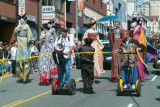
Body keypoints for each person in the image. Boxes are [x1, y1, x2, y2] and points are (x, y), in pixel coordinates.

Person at [13, 13, 34, 83]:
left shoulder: (26, 26)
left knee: (25, 60)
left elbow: (29, 34)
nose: (21, 20)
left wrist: (29, 39)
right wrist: (17, 31)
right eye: (20, 19)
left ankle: (26, 76)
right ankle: (21, 76)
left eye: (23, 19)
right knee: (19, 61)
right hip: (19, 42)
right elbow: (14, 34)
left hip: (24, 42)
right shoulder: (18, 27)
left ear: (24, 20)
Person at [130, 17, 147, 81]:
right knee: (133, 63)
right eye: (133, 21)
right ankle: (134, 77)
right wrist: (131, 32)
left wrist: (140, 44)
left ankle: (140, 77)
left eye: (134, 21)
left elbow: (142, 36)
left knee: (139, 64)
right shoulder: (133, 29)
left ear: (137, 21)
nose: (133, 22)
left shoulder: (140, 27)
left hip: (139, 45)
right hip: (133, 45)